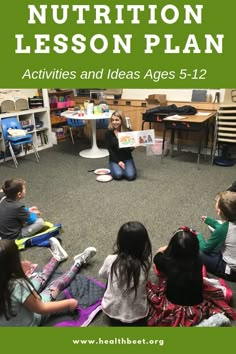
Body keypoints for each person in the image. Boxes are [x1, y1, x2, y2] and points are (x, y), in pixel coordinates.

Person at [148, 227, 236, 326]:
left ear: (172, 248)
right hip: (196, 302)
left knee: (158, 269)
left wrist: (165, 249)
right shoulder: (198, 260)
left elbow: (157, 258)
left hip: (172, 301)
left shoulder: (168, 262)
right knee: (202, 271)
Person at [0, 237, 97, 326]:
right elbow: (41, 309)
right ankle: (78, 262)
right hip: (30, 322)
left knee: (39, 278)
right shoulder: (18, 285)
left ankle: (58, 257)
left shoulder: (14, 282)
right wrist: (70, 303)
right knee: (55, 285)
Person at [99, 221, 152, 326]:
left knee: (109, 279)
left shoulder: (111, 260)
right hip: (139, 315)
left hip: (111, 311)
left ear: (120, 241)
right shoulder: (145, 263)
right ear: (144, 244)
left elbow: (102, 274)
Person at [197, 191, 236, 281]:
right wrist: (211, 222)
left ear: (219, 211)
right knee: (214, 226)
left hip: (231, 271)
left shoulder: (222, 230)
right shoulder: (226, 227)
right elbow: (225, 227)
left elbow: (204, 248)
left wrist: (198, 236)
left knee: (195, 250)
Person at [105, 110, 137, 181]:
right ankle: (115, 167)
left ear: (122, 120)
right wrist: (118, 161)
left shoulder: (129, 132)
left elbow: (128, 151)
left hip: (127, 158)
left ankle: (123, 168)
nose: (114, 122)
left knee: (130, 176)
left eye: (117, 120)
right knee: (118, 175)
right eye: (112, 120)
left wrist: (133, 148)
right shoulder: (108, 133)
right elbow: (110, 149)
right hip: (114, 159)